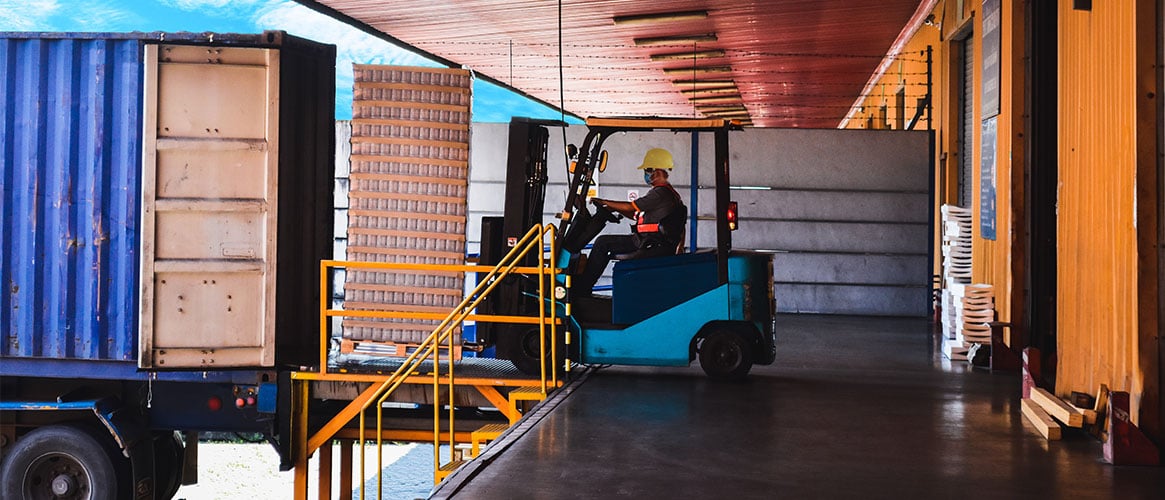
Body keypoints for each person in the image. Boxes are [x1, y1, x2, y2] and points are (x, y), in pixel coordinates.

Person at [575, 147, 687, 296]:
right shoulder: (669, 193)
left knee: (602, 243)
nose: (646, 174)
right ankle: (584, 287)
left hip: (648, 243)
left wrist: (603, 201)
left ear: (657, 171)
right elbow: (634, 213)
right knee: (605, 244)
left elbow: (630, 206)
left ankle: (582, 288)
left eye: (648, 170)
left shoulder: (660, 193)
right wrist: (609, 208)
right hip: (652, 242)